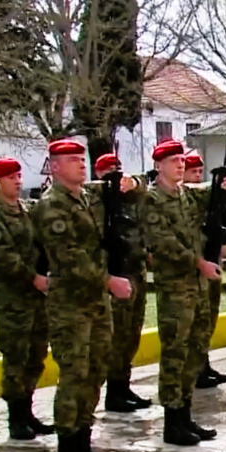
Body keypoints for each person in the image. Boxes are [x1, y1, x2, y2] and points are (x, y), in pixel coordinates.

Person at [32, 139, 134, 452]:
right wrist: (108, 281)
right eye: (72, 160)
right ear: (55, 166)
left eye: (81, 159)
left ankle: (84, 445)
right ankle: (68, 451)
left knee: (95, 372)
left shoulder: (86, 197)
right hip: (70, 303)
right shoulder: (51, 205)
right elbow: (69, 256)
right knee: (74, 375)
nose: (81, 164)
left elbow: (127, 186)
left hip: (94, 302)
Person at [142, 140, 226, 444]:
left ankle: (185, 415)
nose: (180, 165)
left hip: (196, 285)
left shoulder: (185, 196)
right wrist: (199, 262)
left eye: (182, 159)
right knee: (175, 353)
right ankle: (173, 421)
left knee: (195, 350)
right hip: (175, 287)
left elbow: (215, 202)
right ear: (158, 166)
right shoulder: (153, 200)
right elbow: (164, 243)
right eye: (172, 160)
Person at [0, 158, 54, 440]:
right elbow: (4, 255)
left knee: (36, 353)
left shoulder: (26, 210)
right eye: (10, 177)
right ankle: (15, 417)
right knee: (15, 355)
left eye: (19, 175)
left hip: (36, 295)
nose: (17, 181)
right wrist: (33, 278)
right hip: (13, 295)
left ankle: (28, 409)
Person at [94, 153, 152, 412]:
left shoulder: (130, 199)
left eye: (118, 171)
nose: (115, 177)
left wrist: (134, 183)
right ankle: (113, 393)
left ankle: (123, 386)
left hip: (136, 271)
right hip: (115, 274)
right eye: (108, 172)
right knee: (117, 336)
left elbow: (143, 185)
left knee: (132, 334)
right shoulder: (96, 199)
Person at [185, 150, 226, 389]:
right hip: (193, 267)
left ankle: (203, 362)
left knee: (208, 317)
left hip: (212, 261)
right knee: (194, 322)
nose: (196, 176)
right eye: (192, 171)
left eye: (198, 171)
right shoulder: (184, 198)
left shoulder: (207, 196)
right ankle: (196, 367)